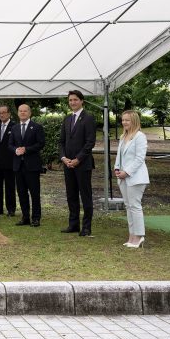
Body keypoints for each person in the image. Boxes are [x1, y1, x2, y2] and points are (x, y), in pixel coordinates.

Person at [59, 90, 97, 237]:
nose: (72, 102)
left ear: (82, 101)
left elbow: (90, 142)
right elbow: (61, 142)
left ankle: (86, 227)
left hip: (83, 164)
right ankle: (73, 224)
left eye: (75, 100)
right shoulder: (67, 119)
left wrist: (78, 159)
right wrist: (63, 158)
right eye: (70, 100)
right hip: (68, 164)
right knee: (71, 195)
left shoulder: (88, 118)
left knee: (85, 195)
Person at [114, 110, 149, 248]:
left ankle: (139, 236)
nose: (124, 122)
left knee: (135, 206)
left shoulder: (140, 136)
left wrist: (127, 172)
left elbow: (140, 158)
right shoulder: (124, 136)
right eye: (123, 120)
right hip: (122, 177)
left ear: (134, 121)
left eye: (127, 120)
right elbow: (119, 156)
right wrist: (117, 168)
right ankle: (132, 235)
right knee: (128, 206)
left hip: (136, 177)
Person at [8, 104, 45, 227]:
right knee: (21, 192)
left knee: (34, 193)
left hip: (32, 166)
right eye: (20, 111)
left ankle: (36, 218)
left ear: (30, 113)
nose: (22, 113)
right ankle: (25, 217)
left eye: (25, 111)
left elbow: (41, 144)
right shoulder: (14, 128)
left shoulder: (37, 127)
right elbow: (10, 144)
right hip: (18, 165)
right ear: (18, 113)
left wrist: (26, 149)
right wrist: (15, 150)